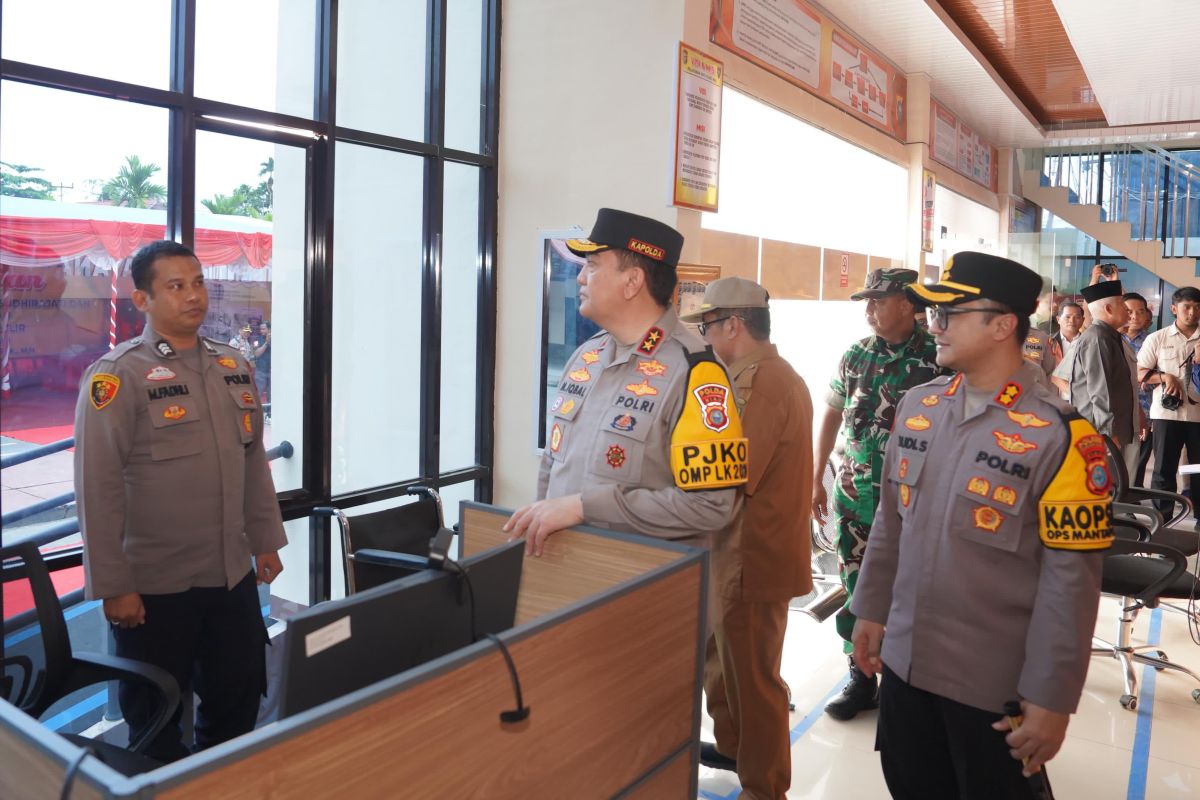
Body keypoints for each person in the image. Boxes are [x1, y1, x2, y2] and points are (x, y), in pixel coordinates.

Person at [850, 251, 1113, 799]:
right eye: (931, 314)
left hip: (992, 690)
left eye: (950, 315)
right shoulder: (918, 407)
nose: (934, 326)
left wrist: (1052, 698)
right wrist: (870, 610)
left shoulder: (1061, 439)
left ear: (1003, 325)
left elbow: (1071, 585)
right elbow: (891, 525)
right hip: (903, 666)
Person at [74, 240, 286, 762]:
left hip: (231, 576)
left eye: (196, 283)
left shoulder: (232, 365)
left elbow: (251, 463)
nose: (193, 296)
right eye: (175, 286)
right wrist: (114, 586)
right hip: (155, 588)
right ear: (142, 300)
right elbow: (96, 488)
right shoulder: (116, 376)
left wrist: (264, 541)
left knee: (236, 703)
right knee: (157, 722)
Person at [503, 208, 746, 558]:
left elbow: (711, 506)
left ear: (632, 282)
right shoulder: (585, 357)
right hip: (562, 575)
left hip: (638, 591)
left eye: (593, 265)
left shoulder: (697, 372)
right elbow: (553, 467)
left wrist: (586, 507)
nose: (580, 278)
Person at [681, 277, 813, 798]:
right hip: (733, 552)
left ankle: (765, 785)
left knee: (755, 681)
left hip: (752, 558)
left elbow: (734, 472)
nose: (707, 339)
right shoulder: (752, 377)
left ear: (734, 324)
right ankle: (738, 750)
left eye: (710, 326)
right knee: (723, 669)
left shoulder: (761, 383)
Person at [811, 267, 948, 720]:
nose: (869, 310)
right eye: (867, 302)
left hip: (917, 498)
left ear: (909, 305)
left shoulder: (940, 357)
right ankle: (861, 676)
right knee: (856, 584)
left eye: (878, 301)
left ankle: (910, 682)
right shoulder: (856, 355)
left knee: (914, 586)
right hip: (854, 494)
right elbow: (832, 413)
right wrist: (817, 476)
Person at [1136, 286, 1200, 523]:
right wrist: (1165, 377)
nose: (1192, 312)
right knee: (1163, 470)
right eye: (1186, 307)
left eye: (1197, 307)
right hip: (1166, 415)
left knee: (1198, 469)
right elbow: (1139, 372)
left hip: (1198, 416)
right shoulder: (1158, 337)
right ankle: (1162, 520)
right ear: (1174, 309)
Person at [1067, 280, 1144, 474]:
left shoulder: (1110, 336)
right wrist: (1108, 435)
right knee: (1104, 488)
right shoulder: (1098, 338)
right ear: (1109, 308)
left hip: (1111, 431)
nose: (1128, 311)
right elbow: (1100, 392)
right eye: (1122, 305)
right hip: (1100, 434)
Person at [1122, 292, 1155, 486]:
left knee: (1139, 461)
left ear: (1146, 315)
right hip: (1116, 411)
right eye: (1129, 311)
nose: (1134, 316)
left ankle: (1132, 499)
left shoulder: (1153, 341)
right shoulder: (1110, 339)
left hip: (1147, 411)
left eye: (1139, 312)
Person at [1049, 301, 1084, 397]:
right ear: (1058, 319)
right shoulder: (1048, 343)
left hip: (1081, 402)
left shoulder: (1088, 343)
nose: (1072, 321)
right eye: (1067, 317)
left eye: (1077, 317)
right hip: (1053, 399)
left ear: (1083, 320)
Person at [254, 321, 271, 405]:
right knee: (257, 395)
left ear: (269, 329)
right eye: (260, 329)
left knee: (271, 397)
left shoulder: (277, 339)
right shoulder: (258, 339)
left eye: (263, 329)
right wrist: (266, 343)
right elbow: (256, 354)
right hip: (260, 371)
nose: (261, 331)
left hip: (273, 372)